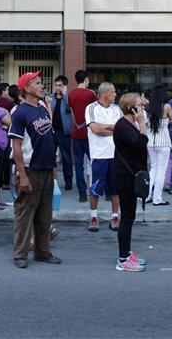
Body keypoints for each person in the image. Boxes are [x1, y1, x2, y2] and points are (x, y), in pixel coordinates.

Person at [10, 71, 61, 268]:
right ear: (27, 88)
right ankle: (20, 254)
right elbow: (16, 145)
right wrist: (22, 175)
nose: (42, 86)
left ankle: (43, 252)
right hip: (30, 170)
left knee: (45, 215)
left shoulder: (41, 109)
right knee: (25, 213)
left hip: (46, 169)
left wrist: (53, 170)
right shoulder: (20, 112)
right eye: (38, 83)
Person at [112, 93, 149, 272]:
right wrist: (142, 124)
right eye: (139, 106)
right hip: (125, 177)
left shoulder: (128, 124)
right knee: (126, 217)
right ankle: (123, 259)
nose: (142, 109)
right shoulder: (123, 125)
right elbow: (140, 143)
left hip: (130, 175)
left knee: (129, 216)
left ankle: (127, 253)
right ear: (131, 108)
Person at [85, 82, 122, 232]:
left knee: (115, 188)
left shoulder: (117, 109)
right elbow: (95, 129)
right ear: (104, 93)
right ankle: (94, 216)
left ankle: (115, 216)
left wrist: (105, 126)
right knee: (95, 188)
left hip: (116, 154)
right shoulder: (91, 108)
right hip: (99, 155)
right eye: (112, 92)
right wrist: (113, 128)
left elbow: (121, 128)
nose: (115, 95)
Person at [68, 70, 97, 203]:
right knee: (95, 162)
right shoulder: (91, 94)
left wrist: (77, 125)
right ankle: (95, 190)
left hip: (76, 133)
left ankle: (82, 193)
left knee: (78, 165)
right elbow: (95, 111)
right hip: (89, 133)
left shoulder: (71, 94)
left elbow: (71, 112)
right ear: (85, 79)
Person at [145, 84, 172, 206]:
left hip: (151, 142)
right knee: (161, 171)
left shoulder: (149, 107)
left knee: (153, 168)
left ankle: (146, 196)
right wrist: (166, 123)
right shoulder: (166, 106)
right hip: (163, 142)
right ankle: (157, 198)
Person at [51, 75, 74, 192]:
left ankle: (68, 182)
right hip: (53, 131)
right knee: (50, 157)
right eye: (56, 85)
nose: (57, 87)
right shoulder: (52, 98)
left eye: (60, 85)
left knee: (66, 157)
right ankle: (51, 181)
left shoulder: (68, 98)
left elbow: (69, 108)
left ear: (65, 86)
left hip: (64, 132)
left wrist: (64, 95)